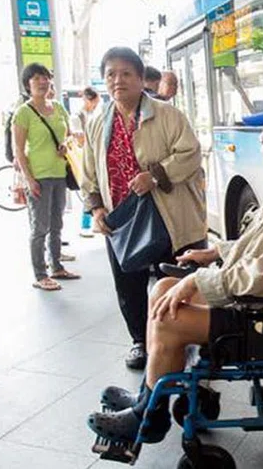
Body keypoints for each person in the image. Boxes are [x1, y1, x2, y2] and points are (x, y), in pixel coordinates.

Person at [86, 85, 263, 444]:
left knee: (168, 317)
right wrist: (216, 254)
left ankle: (147, 418)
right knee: (163, 289)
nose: (261, 139)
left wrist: (201, 281)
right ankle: (149, 398)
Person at [81, 47, 207, 371]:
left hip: (170, 214)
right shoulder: (97, 123)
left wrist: (155, 176)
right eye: (111, 74)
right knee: (129, 284)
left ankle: (185, 343)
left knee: (176, 278)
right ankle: (140, 340)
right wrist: (96, 209)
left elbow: (190, 154)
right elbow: (89, 174)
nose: (118, 80)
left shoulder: (167, 115)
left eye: (126, 73)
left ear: (140, 78)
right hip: (122, 219)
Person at [11, 63, 81, 291]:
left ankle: (57, 266)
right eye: (36, 78)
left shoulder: (59, 108)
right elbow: (19, 150)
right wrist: (29, 180)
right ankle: (40, 274)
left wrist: (65, 145)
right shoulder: (23, 113)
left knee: (57, 223)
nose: (42, 81)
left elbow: (69, 136)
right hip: (38, 177)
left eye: (45, 77)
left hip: (59, 173)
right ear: (28, 84)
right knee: (39, 227)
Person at [73, 87, 103, 237]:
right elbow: (78, 139)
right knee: (88, 189)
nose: (96, 104)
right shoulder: (78, 116)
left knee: (94, 189)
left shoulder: (95, 113)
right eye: (95, 102)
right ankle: (85, 226)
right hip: (82, 156)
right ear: (87, 100)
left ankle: (93, 223)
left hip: (94, 155)